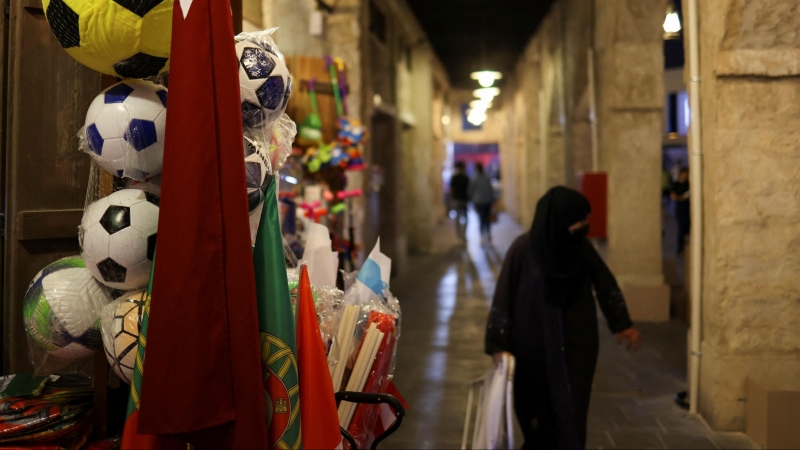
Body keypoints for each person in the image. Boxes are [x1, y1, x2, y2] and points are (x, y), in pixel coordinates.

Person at [485, 187, 641, 449]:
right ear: (560, 219)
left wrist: (622, 323)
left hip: (577, 344)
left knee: (572, 408)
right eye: (580, 220)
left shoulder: (581, 250)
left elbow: (606, 285)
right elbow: (503, 298)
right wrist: (498, 344)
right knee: (536, 412)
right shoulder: (523, 250)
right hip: (531, 345)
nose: (585, 226)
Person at [469, 163, 495, 243]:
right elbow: (491, 190)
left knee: (481, 219)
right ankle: (488, 234)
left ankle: (481, 236)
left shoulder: (474, 178)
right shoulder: (487, 177)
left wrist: (472, 199)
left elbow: (471, 191)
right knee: (487, 218)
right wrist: (492, 199)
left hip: (479, 201)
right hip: (487, 201)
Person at [671, 168, 690, 255]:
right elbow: (673, 196)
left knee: (687, 229)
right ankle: (680, 249)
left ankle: (685, 247)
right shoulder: (676, 184)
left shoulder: (689, 185)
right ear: (681, 174)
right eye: (684, 174)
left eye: (687, 175)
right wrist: (681, 198)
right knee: (681, 229)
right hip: (680, 209)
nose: (686, 176)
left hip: (688, 209)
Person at [449, 161, 470, 240]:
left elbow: (452, 189)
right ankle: (462, 233)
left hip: (460, 199)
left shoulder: (456, 177)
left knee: (460, 217)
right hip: (462, 199)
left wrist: (452, 198)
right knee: (463, 217)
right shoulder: (464, 177)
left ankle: (460, 234)